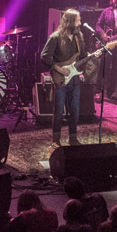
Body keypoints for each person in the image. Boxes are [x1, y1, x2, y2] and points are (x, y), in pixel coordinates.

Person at [40, 8, 89, 148]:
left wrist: (92, 56)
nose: (80, 22)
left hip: (74, 79)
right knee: (59, 111)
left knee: (75, 111)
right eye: (78, 20)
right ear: (70, 21)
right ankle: (56, 139)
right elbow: (45, 56)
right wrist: (58, 68)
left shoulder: (79, 37)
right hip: (60, 79)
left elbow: (82, 56)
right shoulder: (55, 37)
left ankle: (73, 138)